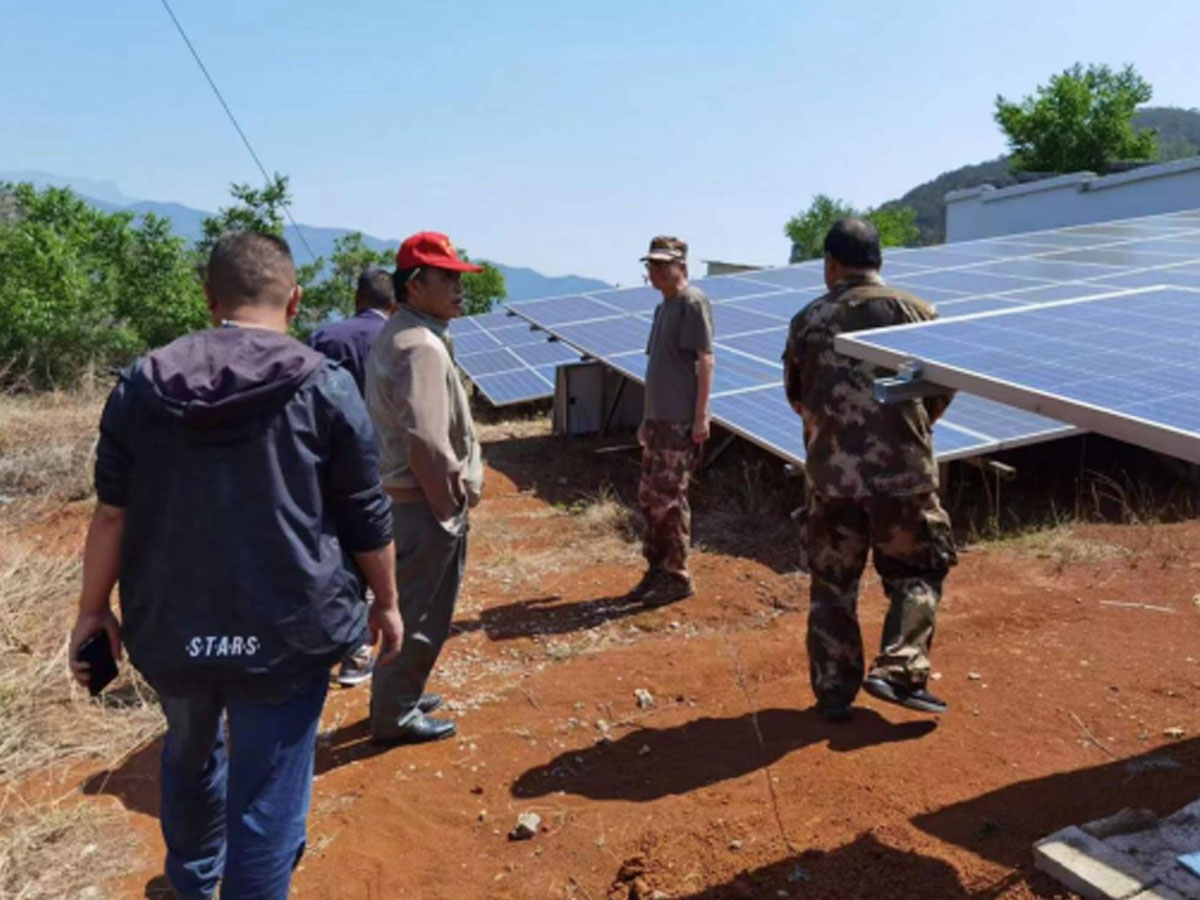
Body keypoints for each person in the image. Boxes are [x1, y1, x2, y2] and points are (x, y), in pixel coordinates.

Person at [68, 232, 403, 900]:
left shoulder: (141, 383)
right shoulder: (324, 385)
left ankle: (193, 885)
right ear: (295, 298)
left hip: (172, 621)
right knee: (269, 792)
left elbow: (111, 513)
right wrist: (387, 600)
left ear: (209, 298)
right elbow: (365, 512)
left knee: (189, 754)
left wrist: (91, 611)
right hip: (289, 628)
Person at [782, 218, 957, 723]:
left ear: (830, 265)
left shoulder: (807, 322)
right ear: (879, 261)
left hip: (830, 477)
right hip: (903, 474)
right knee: (917, 571)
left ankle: (835, 692)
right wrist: (902, 430)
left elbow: (797, 395)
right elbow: (943, 388)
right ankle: (898, 668)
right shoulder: (917, 312)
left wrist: (833, 436)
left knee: (833, 581)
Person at [365, 231, 484, 745]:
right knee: (420, 613)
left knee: (415, 606)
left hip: (406, 501)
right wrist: (447, 506)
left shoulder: (405, 333)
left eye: (459, 277)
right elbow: (427, 442)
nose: (459, 288)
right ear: (415, 286)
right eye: (447, 279)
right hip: (421, 507)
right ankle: (393, 713)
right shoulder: (420, 347)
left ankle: (402, 692)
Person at [310, 268, 396, 687]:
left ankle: (339, 642)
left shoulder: (326, 337)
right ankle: (361, 647)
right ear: (392, 302)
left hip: (324, 462)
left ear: (356, 299)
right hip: (384, 462)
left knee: (334, 547)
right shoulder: (400, 338)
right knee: (376, 546)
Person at [624, 235, 714, 607]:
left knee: (670, 500)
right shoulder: (663, 308)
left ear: (682, 265)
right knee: (650, 498)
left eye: (662, 264)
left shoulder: (692, 302)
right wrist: (646, 418)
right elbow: (655, 367)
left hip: (679, 420)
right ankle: (657, 569)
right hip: (659, 420)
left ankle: (677, 575)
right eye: (651, 265)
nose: (655, 272)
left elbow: (705, 360)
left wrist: (700, 416)